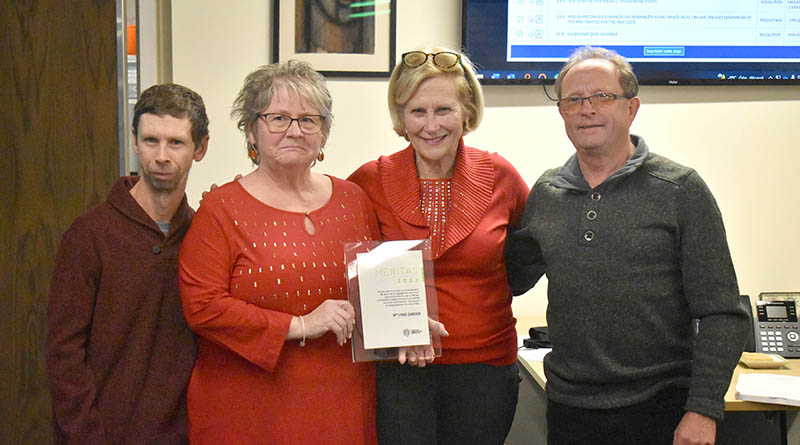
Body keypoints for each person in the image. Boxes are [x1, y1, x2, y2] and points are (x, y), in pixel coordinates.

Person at [505, 46, 750, 445]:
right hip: (569, 409)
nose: (587, 109)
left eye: (602, 96)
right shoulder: (547, 193)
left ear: (632, 108)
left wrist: (703, 409)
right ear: (562, 112)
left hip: (661, 410)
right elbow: (508, 278)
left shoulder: (679, 190)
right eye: (573, 100)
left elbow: (723, 312)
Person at [178, 60, 380, 444]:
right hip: (248, 408)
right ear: (250, 130)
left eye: (309, 120)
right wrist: (300, 325)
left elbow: (372, 291)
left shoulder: (354, 200)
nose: (295, 130)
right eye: (278, 118)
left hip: (341, 405)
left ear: (324, 133)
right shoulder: (220, 209)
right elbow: (202, 307)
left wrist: (408, 322)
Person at [348, 48, 529, 444]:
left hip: (485, 369)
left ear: (467, 112)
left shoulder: (502, 177)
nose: (431, 125)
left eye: (444, 109)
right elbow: (349, 277)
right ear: (401, 117)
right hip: (400, 370)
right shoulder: (368, 181)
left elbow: (527, 259)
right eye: (417, 111)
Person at [46, 83, 210, 444]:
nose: (161, 156)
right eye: (151, 140)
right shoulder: (90, 234)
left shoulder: (204, 235)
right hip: (102, 434)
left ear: (200, 148)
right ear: (134, 142)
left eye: (176, 142)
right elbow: (64, 354)